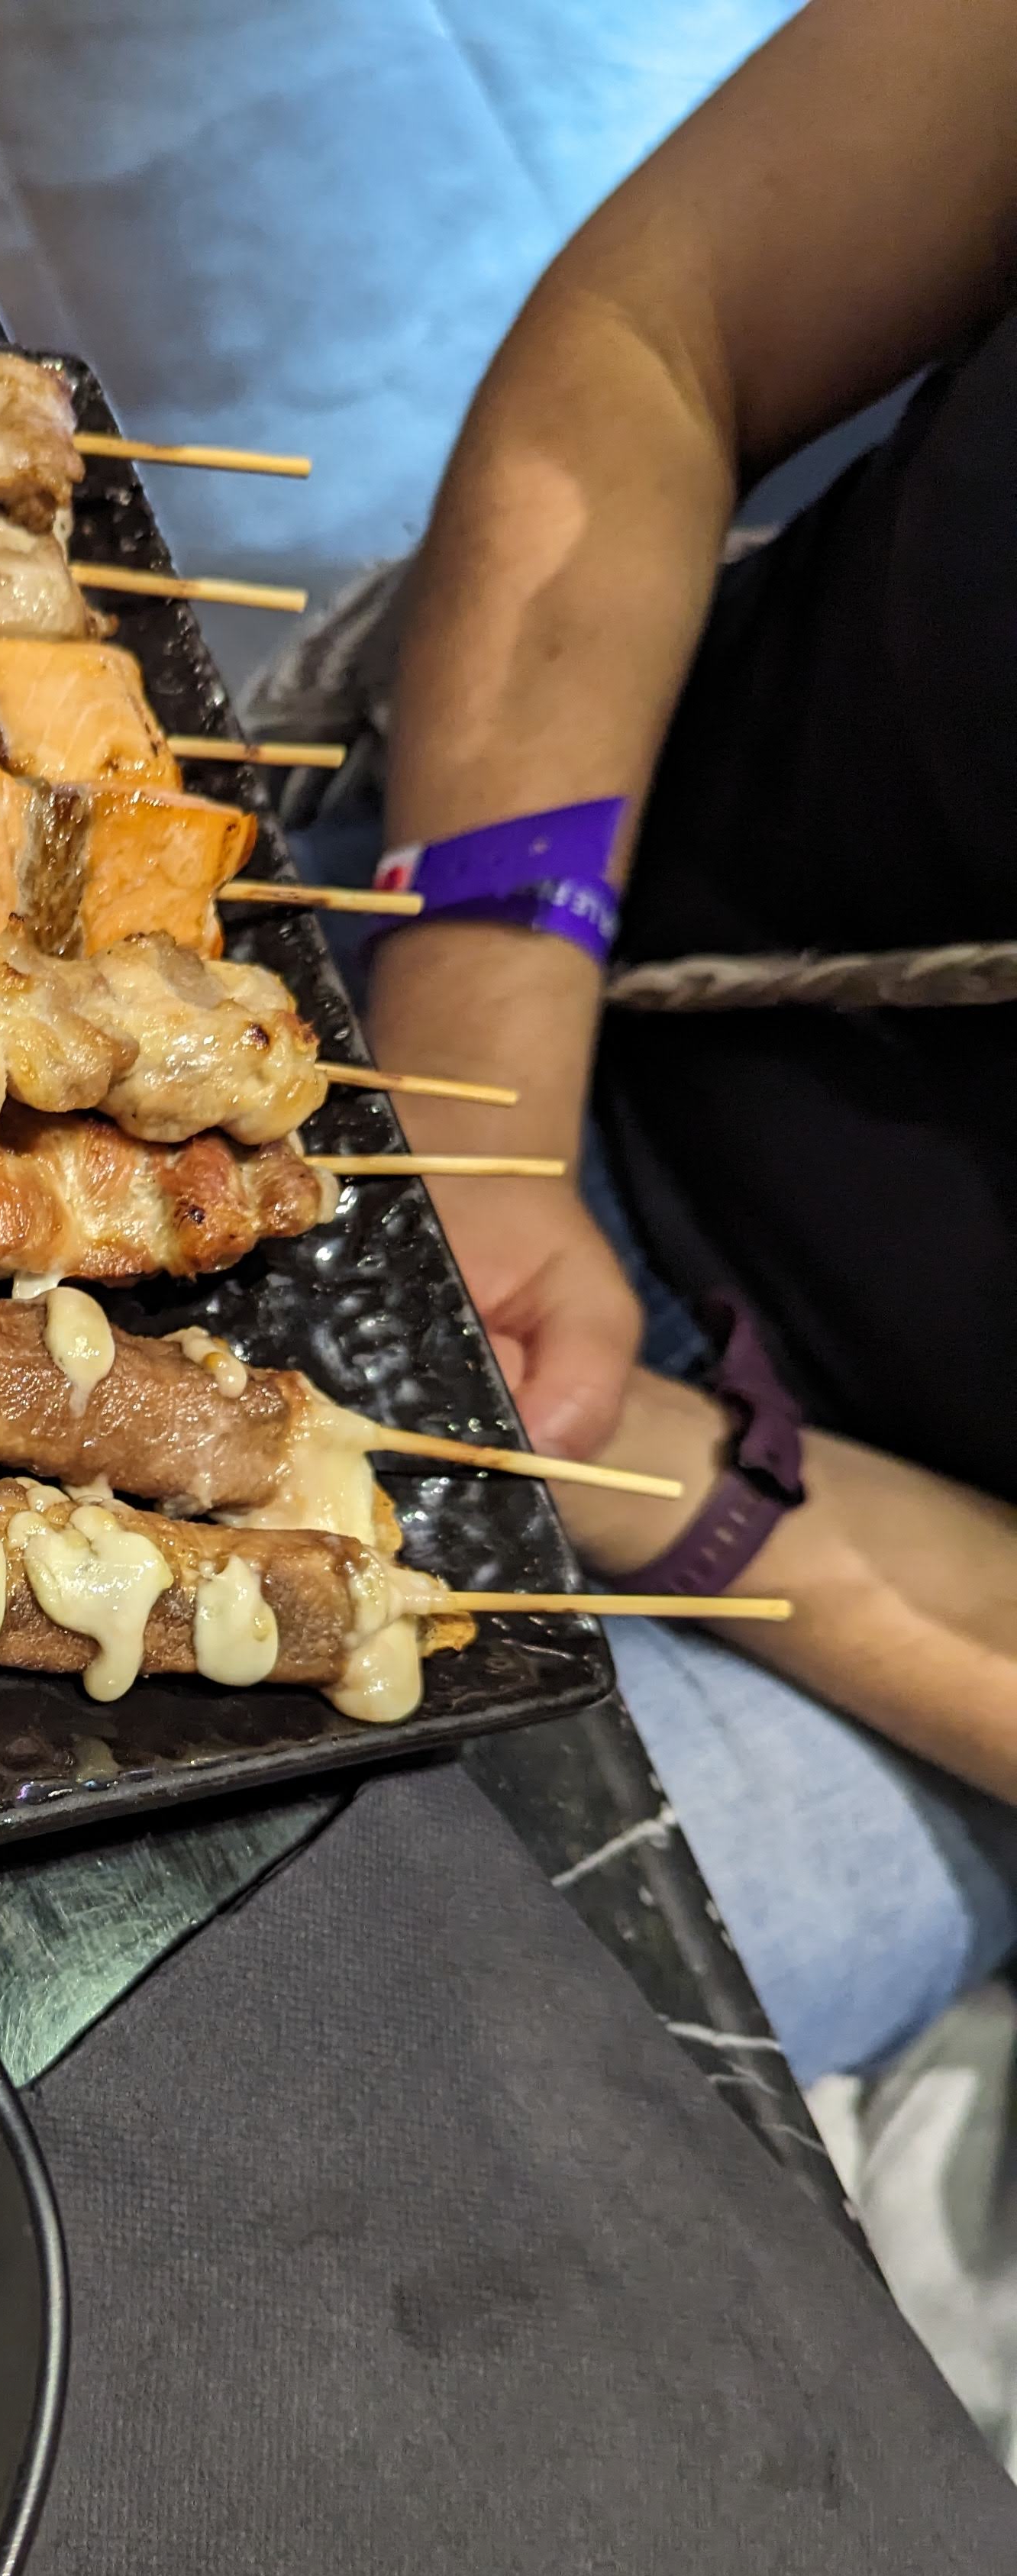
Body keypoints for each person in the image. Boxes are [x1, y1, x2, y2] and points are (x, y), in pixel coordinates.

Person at [360, 0, 1017, 2074]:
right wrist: (478, 1087)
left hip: (890, 1634)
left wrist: (671, 1476)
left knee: (374, 2070)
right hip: (527, 900)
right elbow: (673, 325)